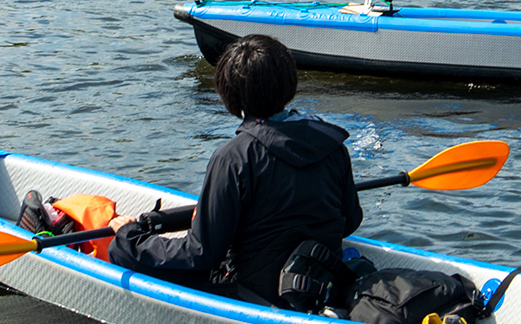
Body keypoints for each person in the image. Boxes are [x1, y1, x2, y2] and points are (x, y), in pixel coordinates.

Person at [107, 34, 362, 305]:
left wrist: (131, 237)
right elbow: (350, 221)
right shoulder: (333, 145)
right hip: (318, 281)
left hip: (254, 292)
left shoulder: (232, 158)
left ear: (230, 93)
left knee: (121, 253)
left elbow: (201, 253)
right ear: (289, 82)